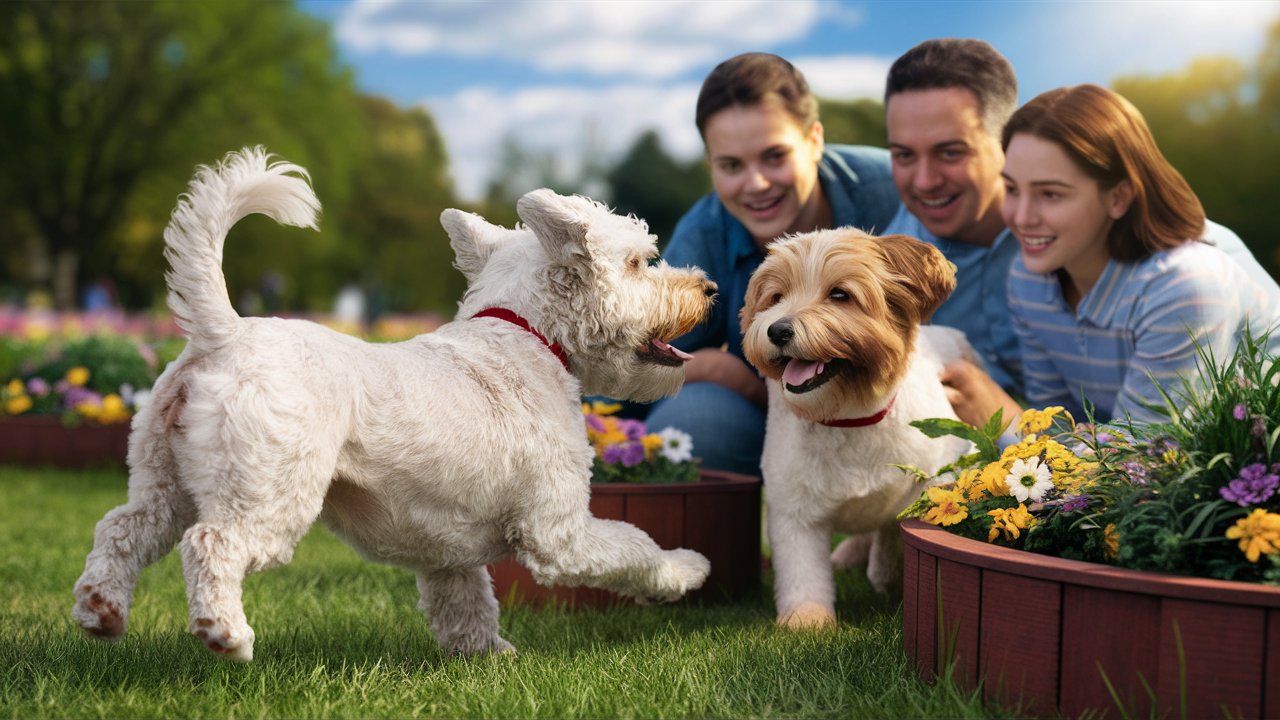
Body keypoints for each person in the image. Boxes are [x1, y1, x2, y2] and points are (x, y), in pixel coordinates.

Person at [881, 39, 1276, 427]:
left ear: (1119, 197)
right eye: (1013, 189)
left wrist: (1004, 422)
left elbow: (1142, 463)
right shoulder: (1030, 279)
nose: (1019, 216)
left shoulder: (1187, 284)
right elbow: (1057, 428)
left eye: (1051, 194)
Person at [651, 52, 900, 476]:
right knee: (691, 422)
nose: (756, 184)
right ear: (710, 165)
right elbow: (640, 361)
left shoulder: (893, 190)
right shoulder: (704, 237)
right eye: (731, 165)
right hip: (777, 418)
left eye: (774, 156)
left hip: (900, 407)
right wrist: (723, 370)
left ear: (815, 140)